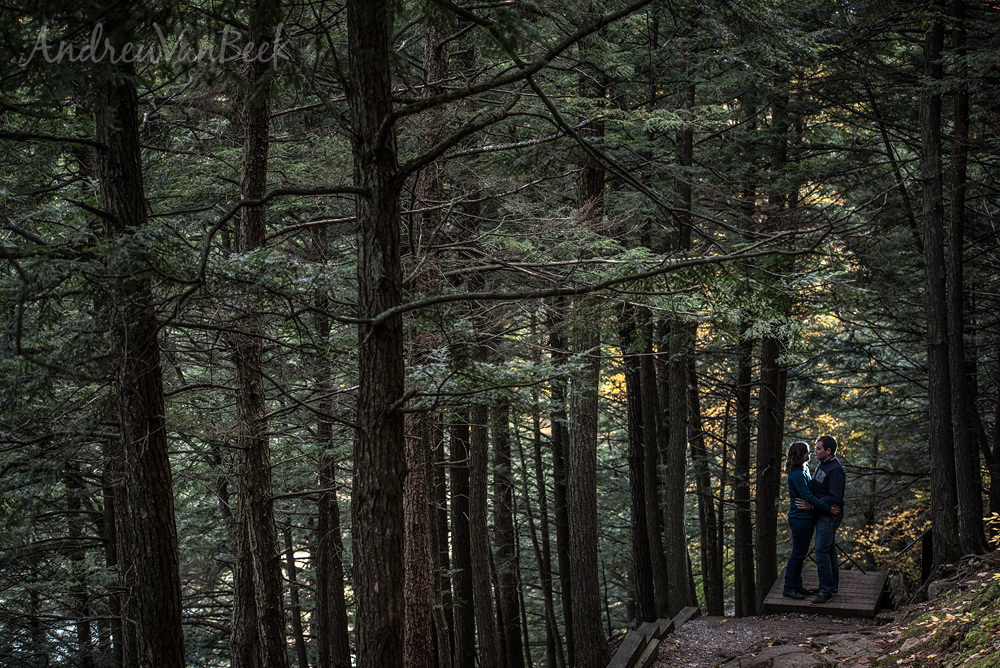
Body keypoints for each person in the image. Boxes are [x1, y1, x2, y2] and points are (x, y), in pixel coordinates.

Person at [783, 441, 839, 599]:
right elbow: (807, 495)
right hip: (799, 519)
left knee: (801, 553)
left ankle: (797, 585)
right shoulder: (796, 473)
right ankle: (789, 587)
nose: (810, 454)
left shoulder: (804, 469)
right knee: (797, 554)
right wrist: (827, 508)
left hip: (806, 517)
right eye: (807, 452)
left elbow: (812, 489)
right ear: (800, 455)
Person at [796, 434, 846, 604]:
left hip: (830, 515)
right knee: (829, 550)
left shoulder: (836, 470)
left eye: (818, 449)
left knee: (821, 551)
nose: (814, 452)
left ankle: (825, 592)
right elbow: (817, 488)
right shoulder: (822, 465)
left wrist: (813, 505)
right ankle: (831, 586)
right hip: (822, 514)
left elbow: (835, 497)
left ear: (828, 451)